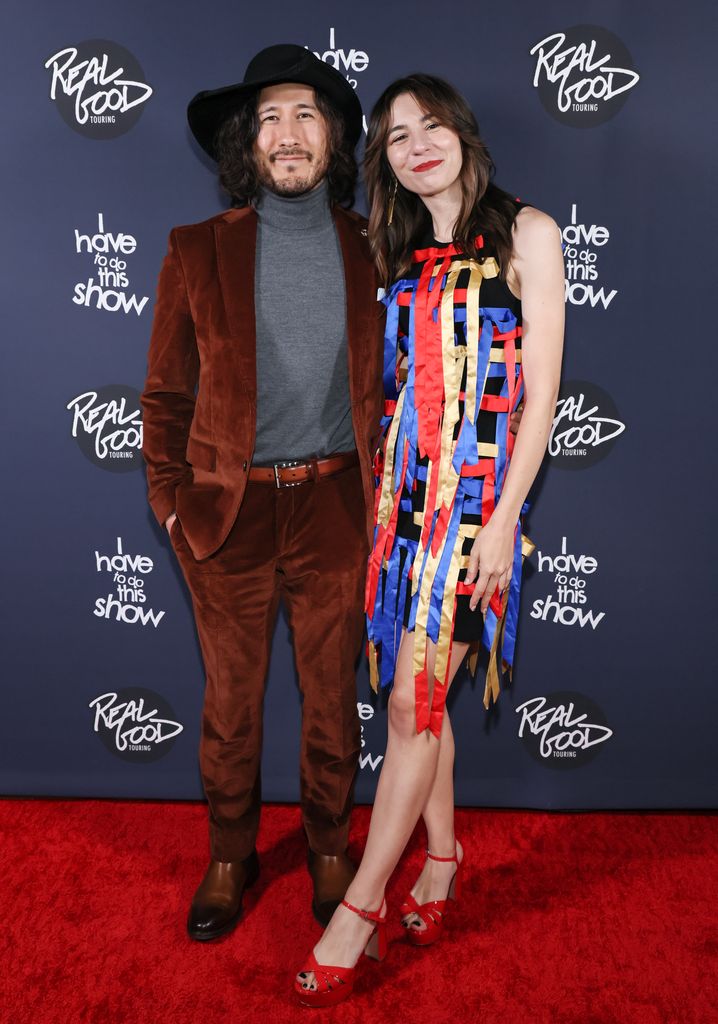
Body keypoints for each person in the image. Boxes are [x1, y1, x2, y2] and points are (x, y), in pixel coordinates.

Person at [295, 74, 565, 1007]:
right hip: (402, 511)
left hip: (479, 513)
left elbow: (541, 400)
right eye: (396, 136)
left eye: (431, 125)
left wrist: (502, 522)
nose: (416, 144)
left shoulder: (529, 235)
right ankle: (442, 860)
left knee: (415, 701)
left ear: (461, 133)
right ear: (388, 162)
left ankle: (360, 909)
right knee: (421, 697)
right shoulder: (398, 251)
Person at [140, 44, 386, 939]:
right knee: (230, 703)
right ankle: (230, 854)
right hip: (226, 515)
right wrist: (174, 503)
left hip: (336, 510)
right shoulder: (195, 249)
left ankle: (328, 846)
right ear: (249, 140)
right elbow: (165, 396)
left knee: (330, 698)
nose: (288, 135)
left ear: (333, 140)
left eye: (307, 114)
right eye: (271, 118)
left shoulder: (375, 247)